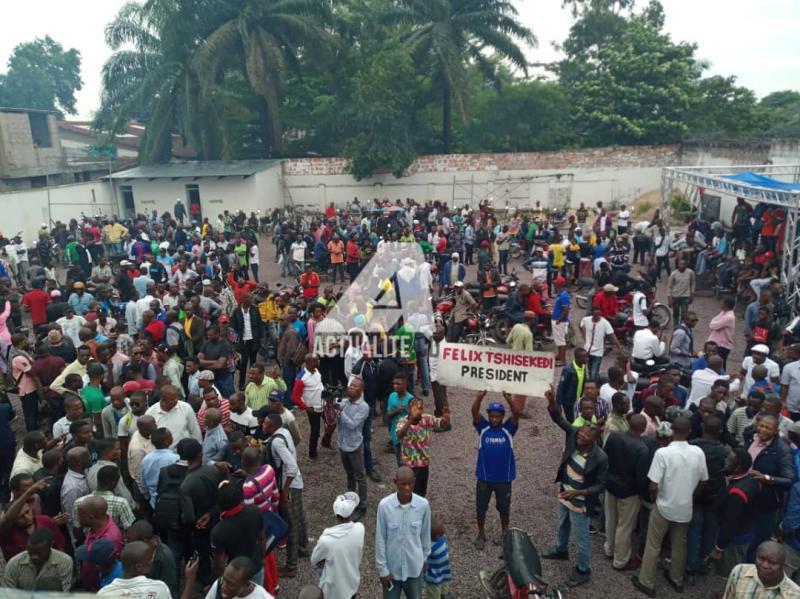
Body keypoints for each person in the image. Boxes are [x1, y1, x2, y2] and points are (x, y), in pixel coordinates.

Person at [632, 416, 708, 597]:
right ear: (689, 431)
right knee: (679, 544)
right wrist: (691, 496)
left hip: (664, 506)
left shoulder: (663, 453)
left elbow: (653, 485)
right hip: (685, 507)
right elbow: (704, 481)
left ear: (672, 431)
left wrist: (657, 498)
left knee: (653, 545)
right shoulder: (698, 452)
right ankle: (677, 579)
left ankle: (647, 582)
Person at [543, 384, 608, 587]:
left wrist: (579, 492)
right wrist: (552, 403)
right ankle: (561, 550)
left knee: (582, 539)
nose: (579, 438)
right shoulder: (575, 434)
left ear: (594, 440)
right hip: (565, 494)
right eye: (579, 435)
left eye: (584, 438)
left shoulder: (600, 458)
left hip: (580, 502)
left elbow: (602, 485)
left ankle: (583, 569)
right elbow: (559, 419)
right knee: (562, 524)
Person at [471, 389, 520, 550]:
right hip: (484, 478)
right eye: (492, 416)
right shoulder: (483, 428)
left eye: (498, 416)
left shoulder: (508, 430)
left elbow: (516, 414)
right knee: (481, 507)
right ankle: (481, 533)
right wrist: (479, 397)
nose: (494, 419)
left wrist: (509, 399)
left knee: (504, 508)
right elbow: (474, 412)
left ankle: (505, 532)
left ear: (502, 417)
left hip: (504, 479)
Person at [261, 412, 307, 577]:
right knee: (299, 516)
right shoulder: (283, 432)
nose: (262, 426)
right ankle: (303, 547)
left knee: (292, 524)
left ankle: (291, 565)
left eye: (265, 424)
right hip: (296, 483)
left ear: (272, 427)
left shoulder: (277, 442)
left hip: (291, 486)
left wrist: (285, 491)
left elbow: (292, 467)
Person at [375, 466, 432, 599]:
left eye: (410, 483)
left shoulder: (423, 505)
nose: (407, 488)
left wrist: (424, 559)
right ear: (395, 482)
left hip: (414, 569)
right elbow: (380, 539)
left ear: (415, 481)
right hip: (392, 571)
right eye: (403, 484)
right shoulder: (384, 506)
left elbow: (425, 535)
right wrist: (383, 570)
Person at [603, 414, 650, 571]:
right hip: (629, 492)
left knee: (611, 519)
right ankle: (620, 560)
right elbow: (641, 477)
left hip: (611, 485)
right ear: (643, 429)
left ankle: (609, 549)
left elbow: (605, 457)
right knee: (624, 526)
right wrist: (642, 493)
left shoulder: (614, 437)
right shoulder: (642, 449)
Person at [310, 491, 365, 599]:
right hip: (352, 584)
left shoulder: (326, 540)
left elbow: (314, 560)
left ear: (335, 512)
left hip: (334, 591)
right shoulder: (360, 529)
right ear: (352, 511)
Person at [211, 481, 265, 583]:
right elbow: (262, 539)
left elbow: (219, 565)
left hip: (235, 576)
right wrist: (262, 559)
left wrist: (223, 582)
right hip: (256, 567)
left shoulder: (218, 532)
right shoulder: (254, 511)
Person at [396, 397, 448, 498]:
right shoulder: (402, 421)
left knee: (421, 492)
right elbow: (399, 434)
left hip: (423, 464)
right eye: (416, 408)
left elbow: (441, 424)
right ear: (409, 409)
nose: (419, 411)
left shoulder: (426, 418)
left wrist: (446, 417)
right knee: (409, 493)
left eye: (421, 408)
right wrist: (410, 420)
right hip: (409, 466)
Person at [333, 376, 369, 519]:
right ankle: (350, 499)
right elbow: (336, 420)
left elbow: (353, 424)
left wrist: (340, 412)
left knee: (360, 476)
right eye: (350, 385)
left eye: (354, 386)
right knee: (349, 473)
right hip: (342, 443)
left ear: (361, 390)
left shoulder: (363, 407)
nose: (350, 387)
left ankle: (362, 505)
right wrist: (333, 410)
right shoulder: (345, 402)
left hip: (354, 445)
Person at [75, 496, 125, 591]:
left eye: (80, 515)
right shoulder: (95, 527)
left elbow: (109, 570)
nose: (78, 518)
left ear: (91, 517)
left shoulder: (111, 539)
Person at [2, 526, 74, 591]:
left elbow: (65, 593)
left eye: (39, 552)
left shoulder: (64, 561)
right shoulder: (14, 563)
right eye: (31, 551)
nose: (34, 556)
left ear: (51, 545)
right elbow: (7, 594)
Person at [723, 541, 800, 598]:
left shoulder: (794, 594)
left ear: (782, 566)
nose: (765, 565)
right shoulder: (740, 571)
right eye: (761, 559)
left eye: (772, 562)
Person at [97, 540, 172, 598]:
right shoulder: (159, 588)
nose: (152, 562)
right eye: (150, 560)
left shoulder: (104, 593)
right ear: (139, 567)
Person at [126, 520, 179, 598]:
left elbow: (169, 589)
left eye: (131, 542)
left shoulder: (164, 558)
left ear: (144, 541)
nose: (128, 545)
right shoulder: (144, 551)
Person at [580, 304, 620, 380]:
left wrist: (619, 348)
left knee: (594, 372)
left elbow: (612, 336)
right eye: (595, 315)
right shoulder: (586, 320)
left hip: (598, 352)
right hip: (587, 350)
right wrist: (584, 336)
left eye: (598, 315)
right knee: (588, 370)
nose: (597, 317)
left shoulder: (605, 323)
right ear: (592, 314)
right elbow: (581, 325)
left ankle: (594, 385)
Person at [554, 348, 588, 423]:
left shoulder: (583, 366)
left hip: (578, 400)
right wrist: (558, 404)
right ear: (578, 358)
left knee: (578, 420)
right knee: (572, 422)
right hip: (568, 402)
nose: (587, 359)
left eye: (587, 357)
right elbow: (561, 386)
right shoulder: (568, 370)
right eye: (585, 357)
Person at [667, 259, 695, 324]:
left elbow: (692, 283)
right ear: (678, 265)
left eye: (683, 264)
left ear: (686, 265)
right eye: (680, 264)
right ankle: (676, 326)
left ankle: (682, 326)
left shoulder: (690, 272)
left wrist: (692, 293)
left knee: (684, 313)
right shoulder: (674, 274)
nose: (682, 265)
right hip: (675, 296)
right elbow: (669, 286)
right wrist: (669, 298)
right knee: (676, 313)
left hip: (685, 296)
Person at [552, 276, 570, 366]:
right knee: (558, 341)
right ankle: (560, 355)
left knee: (561, 341)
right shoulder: (561, 294)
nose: (554, 284)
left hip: (560, 321)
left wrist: (559, 320)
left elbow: (566, 310)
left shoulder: (563, 296)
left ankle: (563, 360)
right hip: (557, 319)